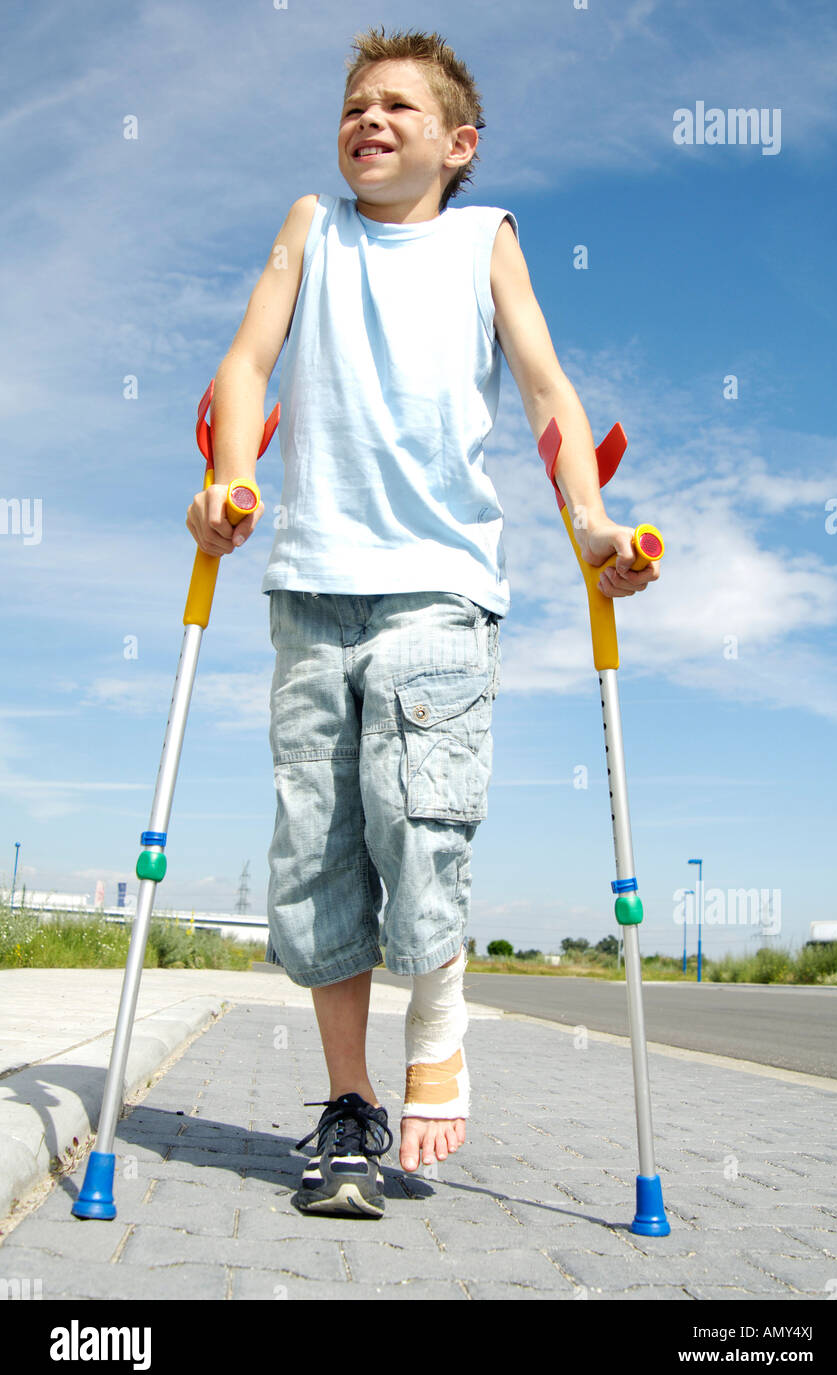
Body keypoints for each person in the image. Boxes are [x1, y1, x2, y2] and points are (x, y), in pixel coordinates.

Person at [186, 26, 660, 1219]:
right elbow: (247, 364)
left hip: (439, 583)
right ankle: (349, 1108)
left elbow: (546, 389)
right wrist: (231, 476)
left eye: (396, 105)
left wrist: (591, 526)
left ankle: (438, 1027)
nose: (367, 120)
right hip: (308, 584)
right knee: (318, 857)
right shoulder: (311, 226)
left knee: (415, 816)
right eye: (353, 104)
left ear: (458, 144)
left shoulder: (479, 237)